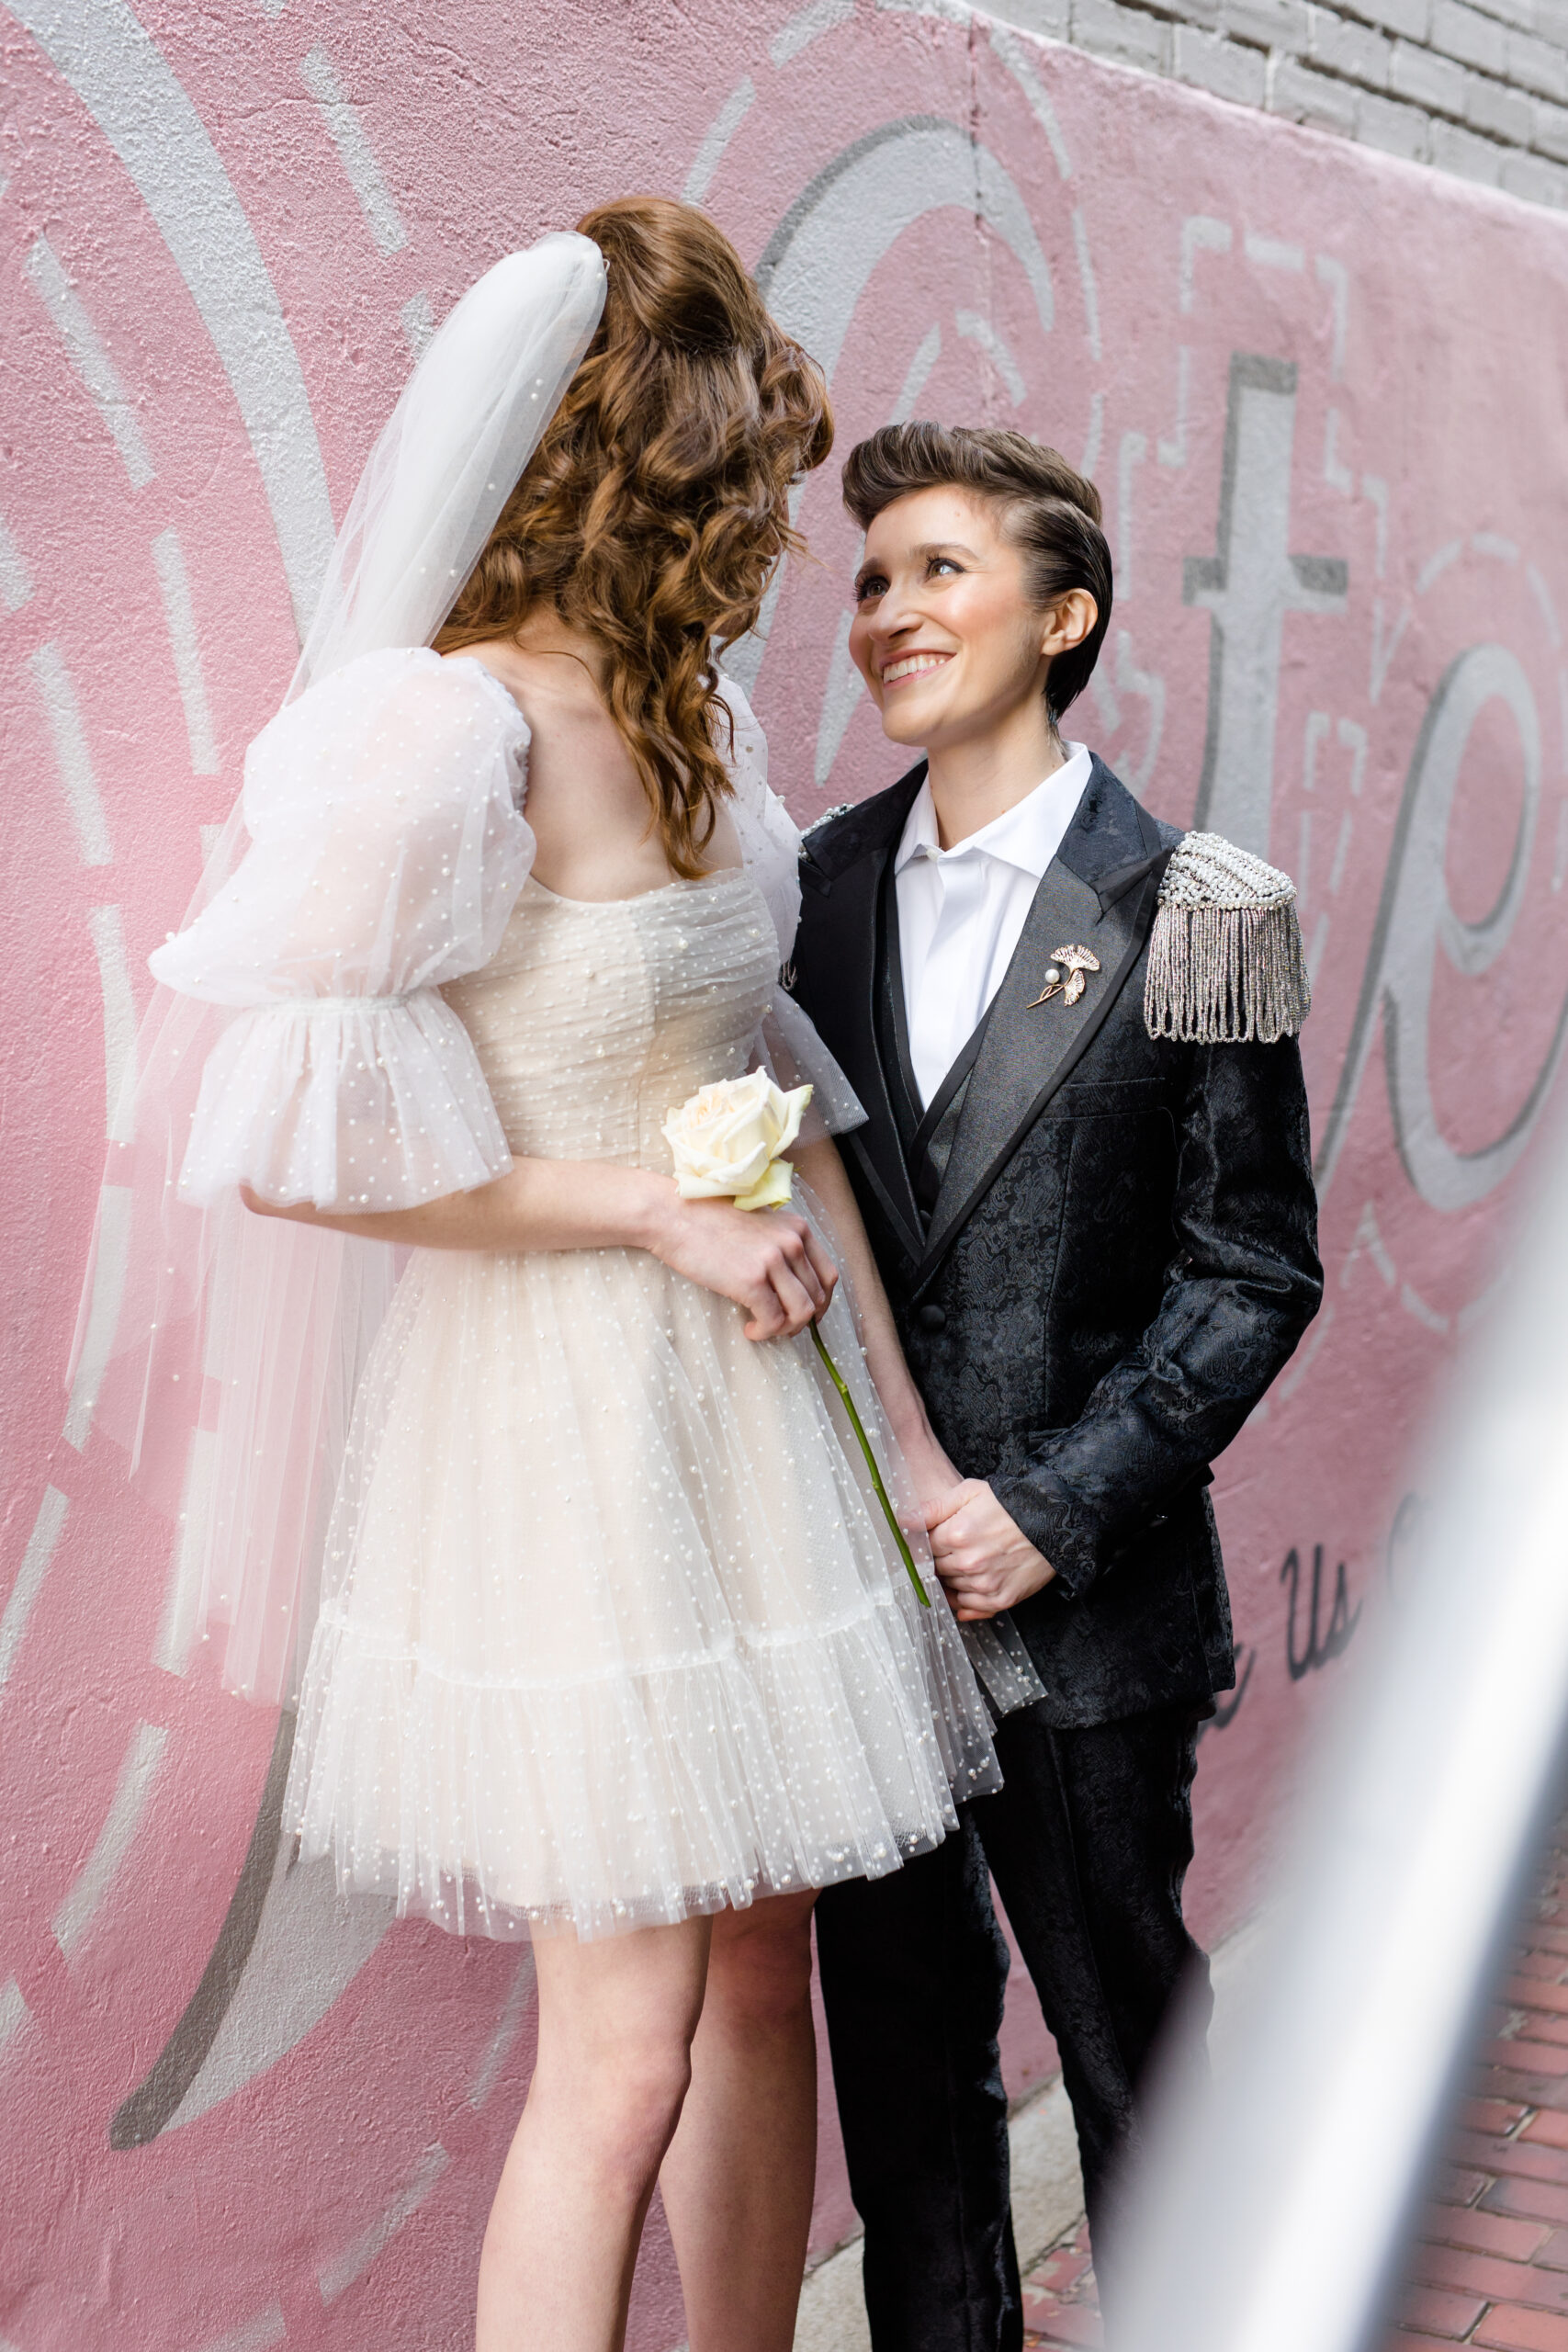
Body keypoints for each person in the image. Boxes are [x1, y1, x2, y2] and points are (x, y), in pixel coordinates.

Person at [79, 208, 1018, 2352]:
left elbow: (776, 1105)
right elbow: (311, 1154)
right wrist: (646, 1211)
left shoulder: (692, 723)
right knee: (623, 2043)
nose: (775, 533)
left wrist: (907, 1426)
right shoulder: (441, 736)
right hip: (563, 1428)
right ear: (636, 470)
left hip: (754, 1419)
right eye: (743, 485)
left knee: (762, 1973)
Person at [793, 423, 1324, 2348]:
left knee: (1134, 2070)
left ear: (1061, 610)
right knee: (907, 2106)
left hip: (1086, 1618)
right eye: (866, 577)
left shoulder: (1207, 902)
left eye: (938, 568)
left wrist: (1052, 1502)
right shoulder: (804, 891)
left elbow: (1255, 1265)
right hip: (858, 1609)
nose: (886, 611)